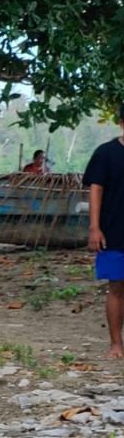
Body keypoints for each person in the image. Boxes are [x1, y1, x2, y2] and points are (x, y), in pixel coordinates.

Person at [84, 104, 124, 359]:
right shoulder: (106, 153)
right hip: (114, 229)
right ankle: (116, 343)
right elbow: (95, 190)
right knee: (117, 288)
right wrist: (94, 227)